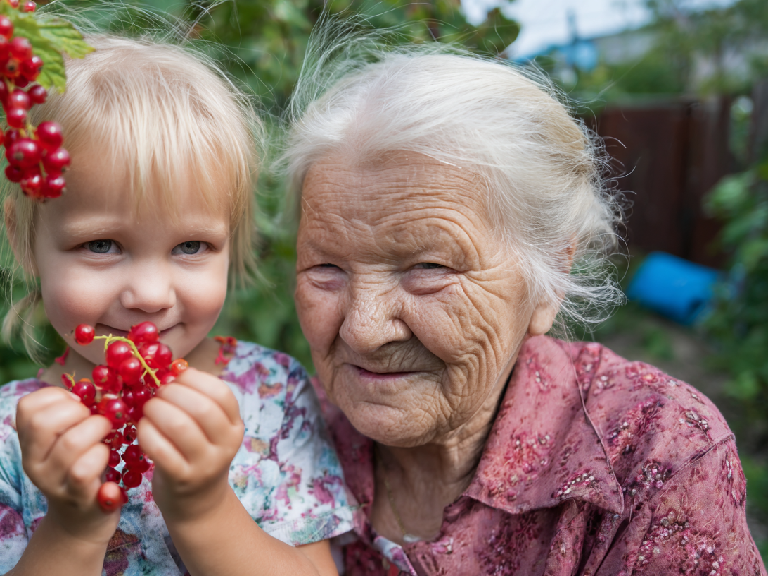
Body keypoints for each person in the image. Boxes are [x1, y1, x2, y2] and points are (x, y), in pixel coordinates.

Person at [282, 43, 768, 575]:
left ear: (549, 280)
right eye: (326, 268)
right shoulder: (275, 434)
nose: (364, 329)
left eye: (429, 268)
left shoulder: (654, 454)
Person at [0, 34, 352, 576]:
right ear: (24, 241)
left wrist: (205, 511)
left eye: (191, 246)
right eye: (101, 245)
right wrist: (71, 528)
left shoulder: (273, 395)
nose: (149, 295)